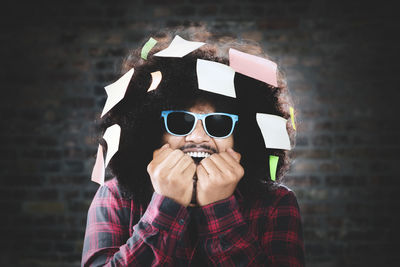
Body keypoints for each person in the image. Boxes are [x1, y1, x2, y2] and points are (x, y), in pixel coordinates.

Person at [82, 28, 305, 266]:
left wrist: (220, 209)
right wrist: (165, 206)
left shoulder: (275, 202)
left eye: (219, 123)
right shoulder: (117, 197)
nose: (198, 137)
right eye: (180, 122)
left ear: (241, 137)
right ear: (153, 133)